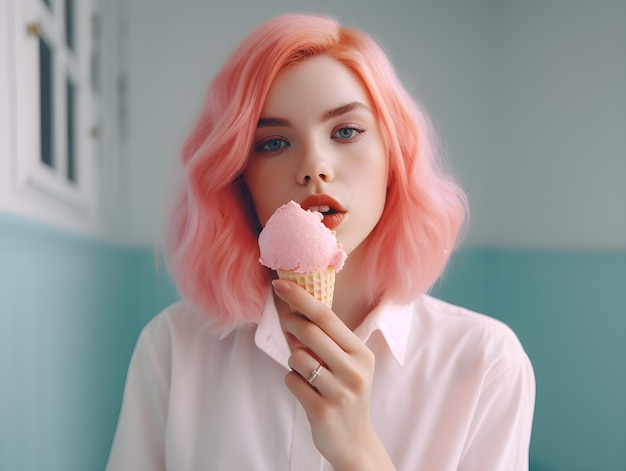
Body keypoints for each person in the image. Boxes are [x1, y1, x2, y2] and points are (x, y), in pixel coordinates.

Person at [106, 13, 535, 471]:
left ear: (396, 156)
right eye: (273, 143)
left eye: (346, 131)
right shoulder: (173, 347)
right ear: (238, 177)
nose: (314, 166)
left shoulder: (486, 361)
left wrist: (358, 450)